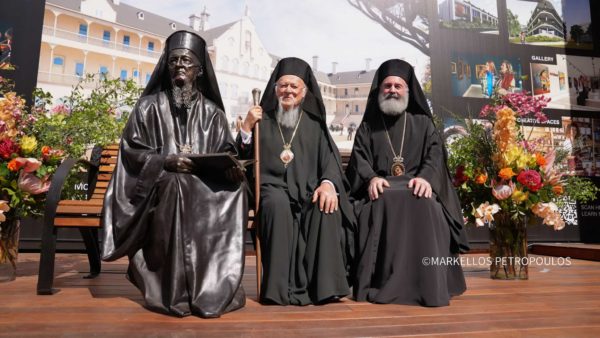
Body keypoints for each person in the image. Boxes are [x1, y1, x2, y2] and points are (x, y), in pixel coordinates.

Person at [101, 31, 246, 318]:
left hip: (204, 186)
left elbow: (227, 151)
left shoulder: (213, 113)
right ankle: (172, 289)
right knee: (176, 182)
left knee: (235, 190)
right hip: (159, 183)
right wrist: (166, 161)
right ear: (166, 67)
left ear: (199, 70)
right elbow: (131, 152)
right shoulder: (147, 107)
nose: (180, 65)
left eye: (187, 61)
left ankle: (212, 281)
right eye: (174, 61)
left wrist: (230, 167)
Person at [346, 59, 469, 307]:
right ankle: (380, 282)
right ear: (380, 90)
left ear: (407, 91)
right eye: (387, 85)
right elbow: (359, 158)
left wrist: (425, 178)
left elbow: (435, 155)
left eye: (398, 86)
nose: (392, 90)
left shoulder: (423, 123)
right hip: (381, 188)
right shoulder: (369, 126)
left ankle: (429, 286)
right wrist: (371, 178)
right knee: (380, 203)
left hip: (417, 186)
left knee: (428, 207)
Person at [238, 57, 355, 305]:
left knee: (325, 207)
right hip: (272, 189)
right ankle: (277, 291)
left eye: (294, 86)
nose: (288, 91)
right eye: (283, 85)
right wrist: (247, 129)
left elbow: (330, 161)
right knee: (277, 206)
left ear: (303, 93)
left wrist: (327, 184)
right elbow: (242, 158)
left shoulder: (314, 123)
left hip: (309, 190)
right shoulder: (261, 120)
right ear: (275, 89)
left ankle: (324, 289)